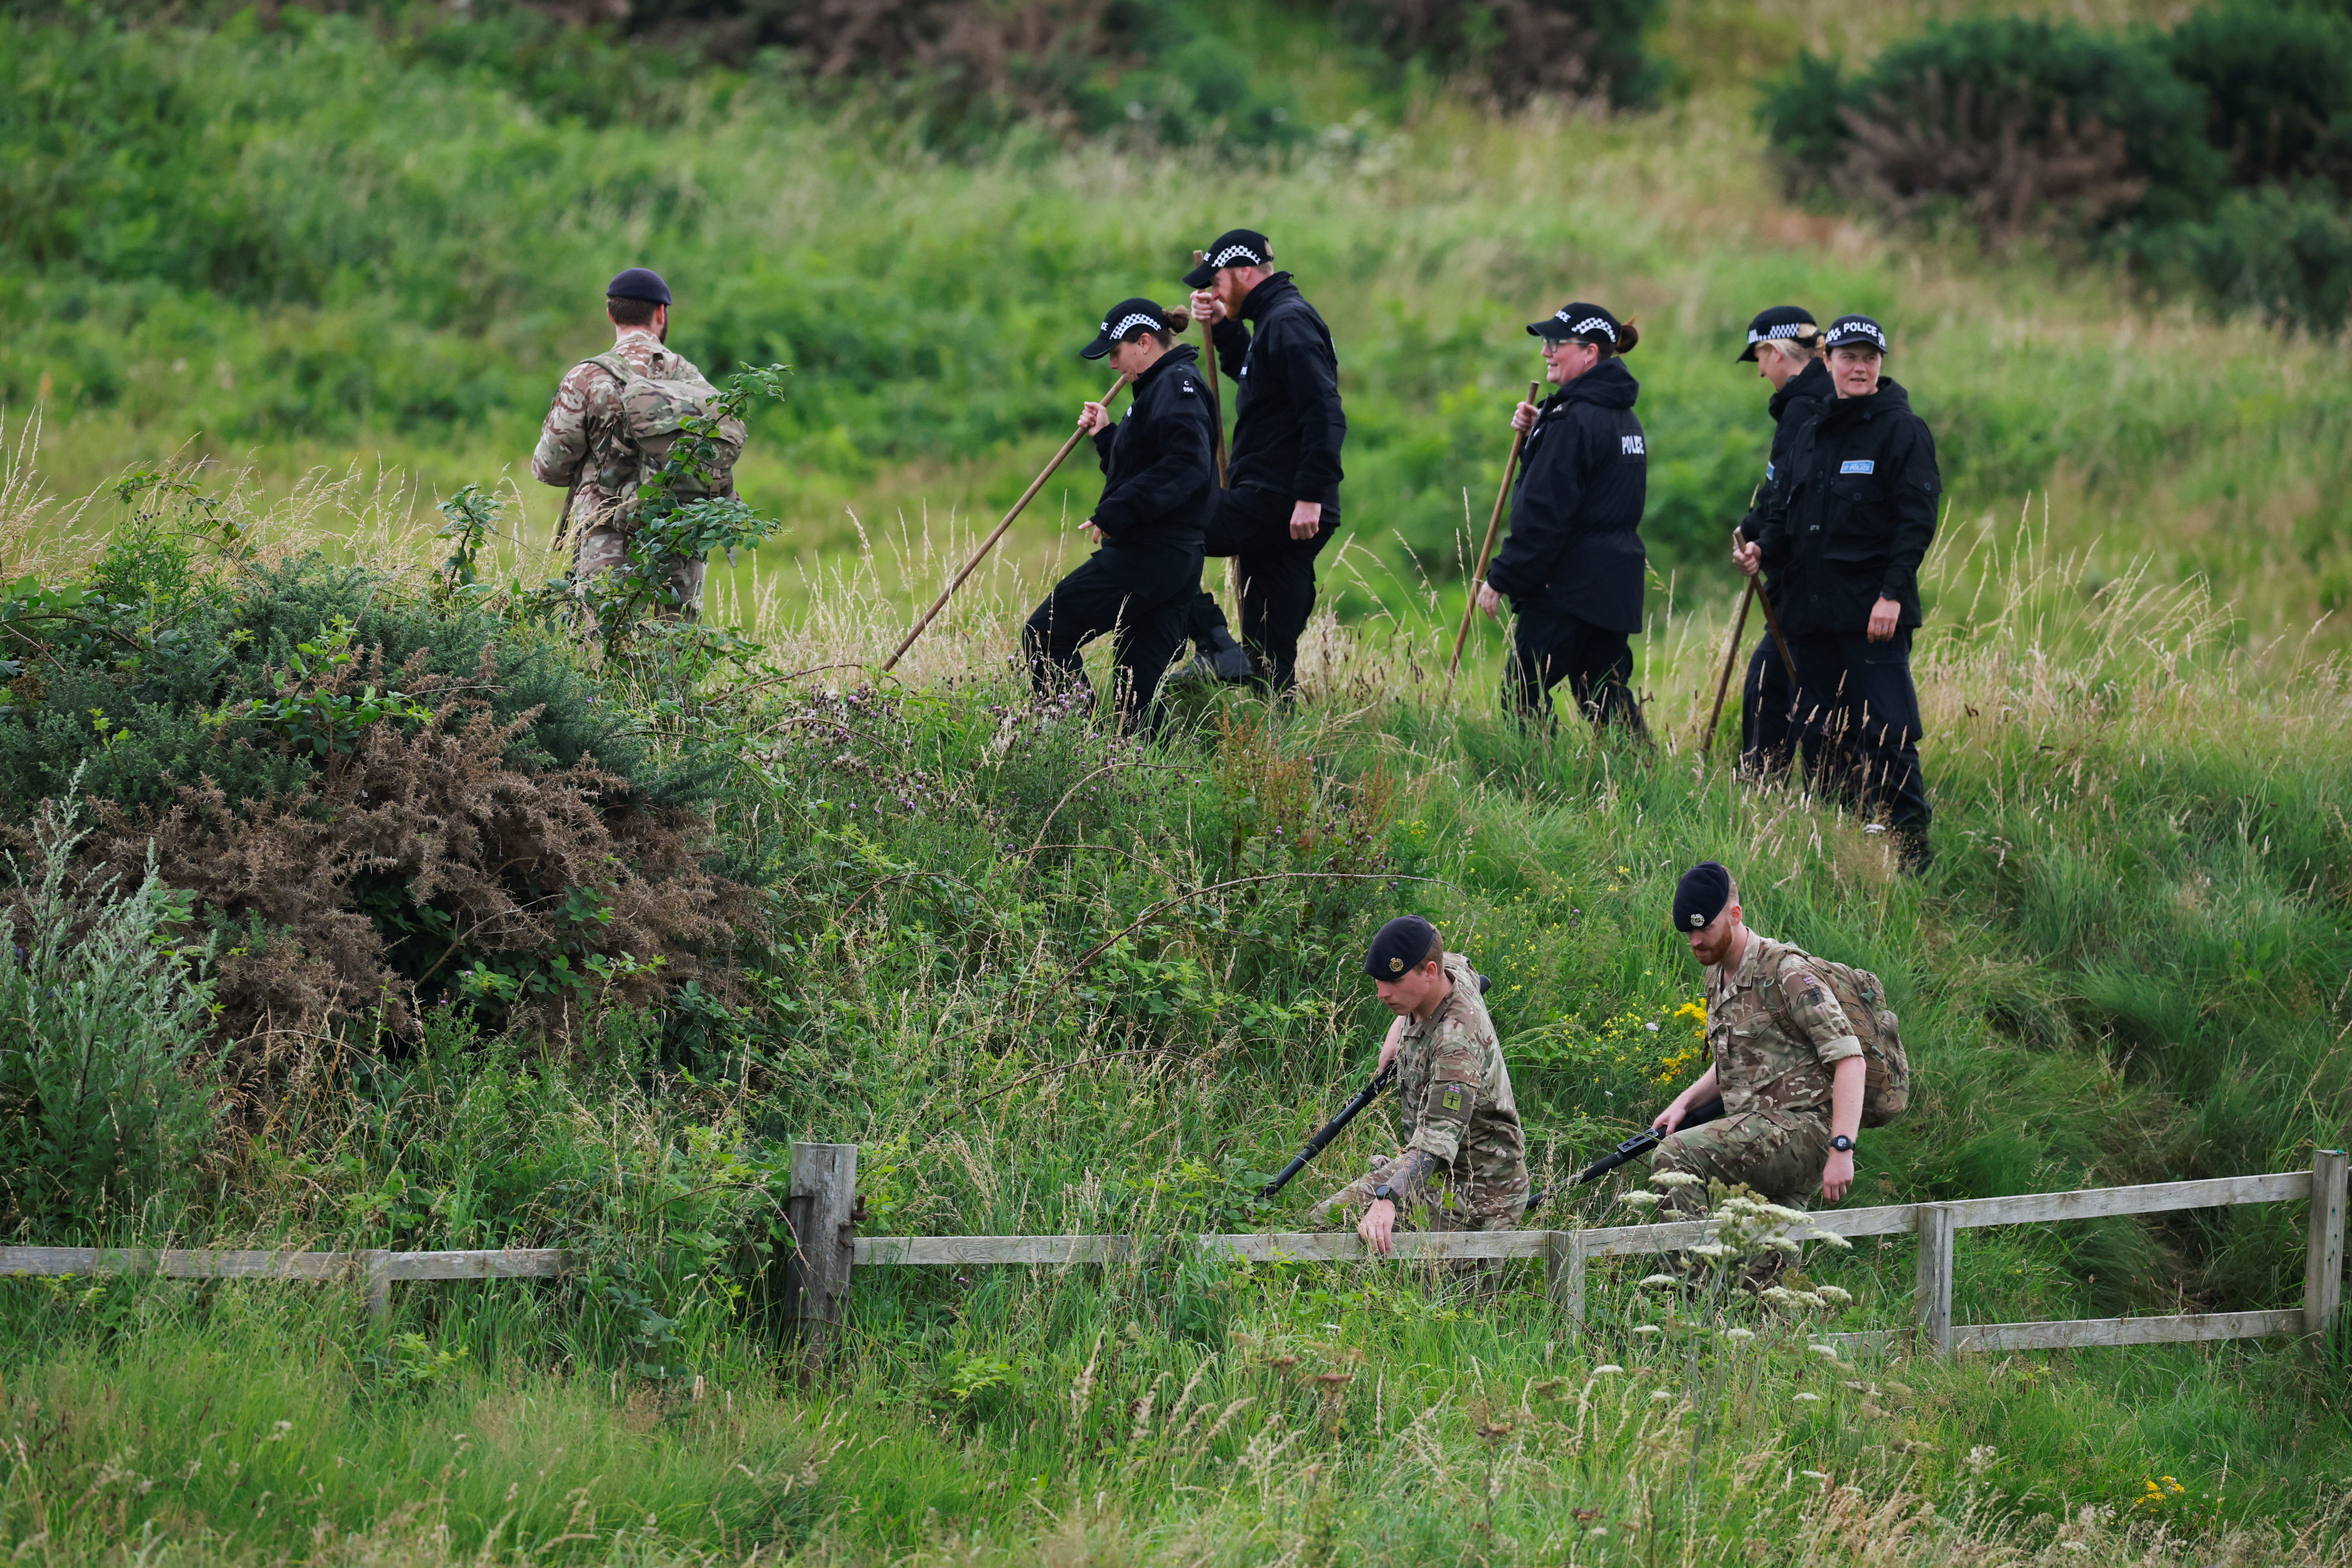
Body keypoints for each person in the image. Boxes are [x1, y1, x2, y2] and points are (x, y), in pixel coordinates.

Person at [1747, 315, 1939, 871]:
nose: (1860, 367)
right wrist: (1761, 551)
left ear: (1880, 364)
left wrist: (1892, 595)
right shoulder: (1811, 430)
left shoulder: (1903, 430)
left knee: (1889, 730)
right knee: (1817, 730)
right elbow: (1785, 517)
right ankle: (1844, 841)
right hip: (1812, 616)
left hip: (1873, 614)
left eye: (1870, 358)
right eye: (1850, 357)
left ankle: (1913, 853)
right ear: (1827, 360)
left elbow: (1915, 523)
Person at [1650, 862, 1866, 1280]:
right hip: (1756, 1135)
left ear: (1735, 915)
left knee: (1674, 1158)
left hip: (1800, 1131)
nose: (1695, 941)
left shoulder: (1785, 971)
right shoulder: (1717, 977)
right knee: (1762, 1289)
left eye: (1704, 929)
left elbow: (1849, 1059)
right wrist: (1683, 1103)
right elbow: (1733, 1059)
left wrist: (1842, 1148)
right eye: (1687, 933)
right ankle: (1739, 1321)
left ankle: (1689, 1291)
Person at [1019, 299, 1214, 734]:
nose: (1111, 365)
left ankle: (1078, 749)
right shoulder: (1157, 390)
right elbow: (1144, 470)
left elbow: (1187, 467)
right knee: (1136, 693)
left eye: (1114, 352)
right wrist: (1107, 435)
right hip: (1170, 559)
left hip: (1150, 555)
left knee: (1044, 637)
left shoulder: (1176, 387)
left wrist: (1115, 512)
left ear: (1144, 342)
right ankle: (1142, 785)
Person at [1167, 229, 1347, 694]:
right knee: (1271, 653)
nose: (1213, 291)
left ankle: (1212, 642)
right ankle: (1278, 746)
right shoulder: (1275, 319)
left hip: (1279, 499)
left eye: (1219, 281)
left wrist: (1309, 494)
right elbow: (1256, 375)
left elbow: (1323, 410)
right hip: (1287, 505)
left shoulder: (1287, 322)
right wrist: (1224, 326)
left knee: (1162, 533)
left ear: (1244, 272)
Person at [1476, 302, 1649, 734]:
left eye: (1556, 343)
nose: (1545, 352)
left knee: (1523, 695)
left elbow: (1544, 517)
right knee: (1605, 694)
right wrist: (1540, 433)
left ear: (1590, 352)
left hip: (1566, 588)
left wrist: (1502, 578)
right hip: (1611, 584)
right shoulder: (1622, 417)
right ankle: (1636, 784)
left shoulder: (1572, 422)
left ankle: (1539, 788)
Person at [1311, 916, 1528, 1254]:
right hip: (1433, 1174)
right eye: (1379, 981)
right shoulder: (1446, 972)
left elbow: (1435, 1142)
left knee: (1438, 1298)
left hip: (1477, 1190)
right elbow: (1462, 963)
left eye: (1394, 982)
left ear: (1429, 972)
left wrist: (1388, 1197)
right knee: (1326, 1220)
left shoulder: (1457, 1044)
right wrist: (1399, 1026)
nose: (1383, 993)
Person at [530, 266, 736, 620]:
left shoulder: (588, 377)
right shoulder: (691, 377)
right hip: (677, 539)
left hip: (605, 539)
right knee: (674, 648)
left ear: (611, 313)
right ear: (661, 313)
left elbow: (549, 468)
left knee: (602, 646)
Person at [1729, 306, 1831, 777]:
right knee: (1768, 684)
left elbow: (1793, 499)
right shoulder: (1807, 402)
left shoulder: (1803, 408)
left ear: (1773, 351)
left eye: (1759, 359)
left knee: (1774, 687)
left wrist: (1763, 544)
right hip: (1796, 572)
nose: (1761, 372)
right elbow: (1778, 493)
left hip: (1806, 579)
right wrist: (1752, 530)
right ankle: (1765, 796)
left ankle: (1767, 793)